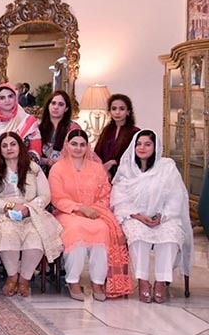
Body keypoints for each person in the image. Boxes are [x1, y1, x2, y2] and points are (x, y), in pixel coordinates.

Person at [50, 129, 134, 302]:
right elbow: (57, 198)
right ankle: (73, 281)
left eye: (82, 145)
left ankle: (97, 282)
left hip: (94, 213)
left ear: (87, 147)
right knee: (76, 231)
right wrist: (80, 209)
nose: (78, 148)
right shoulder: (57, 168)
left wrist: (93, 209)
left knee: (103, 230)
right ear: (67, 145)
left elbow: (105, 194)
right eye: (74, 144)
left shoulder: (97, 168)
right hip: (67, 213)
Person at [110, 130, 194, 303]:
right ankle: (143, 281)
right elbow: (119, 197)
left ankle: (161, 282)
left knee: (170, 237)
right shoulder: (127, 168)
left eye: (147, 144)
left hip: (164, 216)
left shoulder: (167, 166)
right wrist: (139, 216)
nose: (142, 148)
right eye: (139, 144)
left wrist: (161, 216)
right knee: (137, 236)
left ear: (155, 147)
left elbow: (176, 196)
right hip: (134, 216)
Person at [0, 132, 63, 297]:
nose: (9, 148)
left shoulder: (34, 169)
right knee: (7, 234)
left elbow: (45, 195)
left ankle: (25, 279)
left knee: (35, 237)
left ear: (20, 146)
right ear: (0, 150)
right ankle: (12, 276)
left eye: (13, 144)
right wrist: (11, 206)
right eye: (4, 146)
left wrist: (28, 208)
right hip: (3, 213)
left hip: (31, 212)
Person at [0, 83, 42, 168]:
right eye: (2, 98)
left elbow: (35, 151)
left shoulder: (27, 121)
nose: (7, 100)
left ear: (16, 98)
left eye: (10, 96)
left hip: (23, 170)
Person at [94, 94, 139, 180]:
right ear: (110, 111)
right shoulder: (106, 130)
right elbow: (97, 153)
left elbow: (136, 157)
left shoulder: (135, 132)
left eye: (122, 109)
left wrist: (114, 162)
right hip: (104, 175)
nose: (117, 112)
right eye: (114, 109)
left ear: (128, 111)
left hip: (125, 177)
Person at [38, 90, 81, 173]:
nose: (56, 107)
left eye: (60, 104)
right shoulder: (37, 127)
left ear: (66, 109)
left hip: (66, 172)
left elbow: (79, 153)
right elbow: (30, 154)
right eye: (53, 103)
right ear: (48, 105)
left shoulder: (73, 128)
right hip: (40, 172)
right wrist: (46, 161)